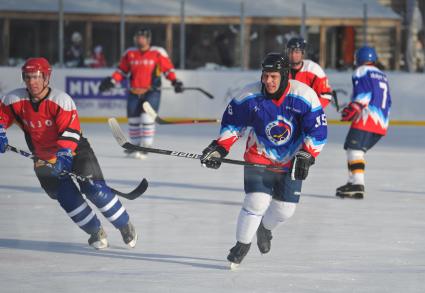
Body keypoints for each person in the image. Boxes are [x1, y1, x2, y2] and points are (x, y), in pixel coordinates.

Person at [200, 53, 327, 267]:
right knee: (256, 202)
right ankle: (242, 244)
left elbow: (317, 132)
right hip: (259, 155)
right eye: (265, 75)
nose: (268, 81)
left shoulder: (304, 96)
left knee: (285, 210)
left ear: (285, 75)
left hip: (291, 159)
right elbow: (233, 124)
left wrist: (307, 155)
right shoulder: (249, 95)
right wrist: (220, 147)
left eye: (273, 76)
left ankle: (264, 228)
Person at [0, 57, 137, 249]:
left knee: (94, 189)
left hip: (75, 152)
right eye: (28, 77)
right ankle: (95, 231)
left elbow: (70, 132)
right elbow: (1, 117)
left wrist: (63, 157)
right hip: (43, 158)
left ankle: (123, 224)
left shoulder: (61, 100)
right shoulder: (14, 99)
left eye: (37, 76)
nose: (32, 81)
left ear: (47, 77)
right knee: (66, 197)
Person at [99, 28, 183, 159]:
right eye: (137, 37)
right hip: (134, 91)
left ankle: (146, 146)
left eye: (142, 37)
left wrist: (175, 82)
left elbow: (168, 70)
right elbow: (122, 71)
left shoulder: (158, 52)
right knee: (133, 119)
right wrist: (112, 81)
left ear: (148, 39)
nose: (139, 39)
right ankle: (135, 145)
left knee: (146, 117)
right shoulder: (130, 53)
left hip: (152, 91)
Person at [336, 46, 391, 199]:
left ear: (358, 58)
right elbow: (388, 101)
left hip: (368, 118)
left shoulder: (361, 71)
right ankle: (352, 181)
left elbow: (364, 93)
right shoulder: (382, 75)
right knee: (352, 148)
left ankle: (357, 184)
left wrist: (354, 107)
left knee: (355, 149)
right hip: (381, 122)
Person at [285, 37, 333, 109]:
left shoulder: (314, 69)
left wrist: (310, 110)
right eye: (290, 52)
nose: (293, 55)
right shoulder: (281, 69)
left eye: (297, 52)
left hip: (308, 114)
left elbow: (326, 96)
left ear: (303, 53)